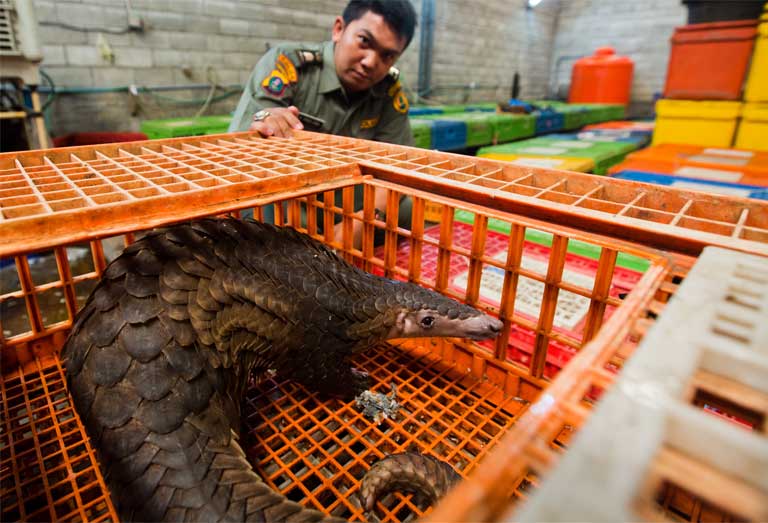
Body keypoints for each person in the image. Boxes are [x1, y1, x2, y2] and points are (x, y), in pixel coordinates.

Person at [229, 0, 418, 243]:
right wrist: (268, 118)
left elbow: (397, 169)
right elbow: (241, 143)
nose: (371, 62)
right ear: (339, 29)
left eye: (387, 55)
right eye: (364, 41)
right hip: (292, 194)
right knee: (260, 213)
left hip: (346, 201)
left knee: (408, 211)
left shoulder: (389, 93)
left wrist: (366, 219)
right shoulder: (289, 65)